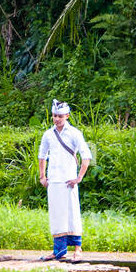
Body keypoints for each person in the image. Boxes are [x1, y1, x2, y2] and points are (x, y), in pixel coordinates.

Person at [38, 100, 92, 261]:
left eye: (60, 116)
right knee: (56, 215)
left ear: (67, 116)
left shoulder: (75, 133)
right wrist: (42, 176)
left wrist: (79, 177)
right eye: (55, 116)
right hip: (54, 180)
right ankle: (58, 251)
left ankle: (78, 249)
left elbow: (86, 155)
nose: (57, 119)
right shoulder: (48, 134)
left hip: (69, 180)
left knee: (72, 212)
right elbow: (42, 155)